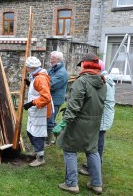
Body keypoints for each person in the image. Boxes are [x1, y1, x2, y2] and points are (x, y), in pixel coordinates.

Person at [53, 53, 106, 194]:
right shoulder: (103, 81)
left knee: (69, 149)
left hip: (78, 122)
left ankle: (71, 183)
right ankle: (96, 184)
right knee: (92, 150)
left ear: (85, 64)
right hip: (94, 123)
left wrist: (63, 123)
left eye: (81, 64)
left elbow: (74, 105)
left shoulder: (81, 81)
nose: (80, 67)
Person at [79, 59, 115, 175]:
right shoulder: (103, 79)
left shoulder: (103, 82)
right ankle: (93, 165)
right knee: (95, 142)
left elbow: (102, 102)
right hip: (101, 117)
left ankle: (94, 169)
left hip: (101, 118)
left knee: (96, 144)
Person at [23, 56, 52, 167]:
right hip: (35, 111)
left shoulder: (40, 78)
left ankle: (40, 158)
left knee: (37, 134)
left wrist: (31, 103)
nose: (26, 69)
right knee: (30, 131)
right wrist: (30, 84)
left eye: (28, 67)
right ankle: (36, 151)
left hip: (40, 110)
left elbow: (46, 97)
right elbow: (37, 89)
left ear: (31, 68)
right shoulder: (36, 76)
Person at [46, 51, 68, 146]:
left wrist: (41, 83)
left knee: (50, 121)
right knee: (49, 119)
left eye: (52, 59)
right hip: (50, 98)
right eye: (50, 58)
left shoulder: (62, 73)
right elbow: (45, 77)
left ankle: (47, 141)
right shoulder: (53, 69)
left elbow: (51, 84)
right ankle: (60, 134)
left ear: (58, 60)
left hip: (55, 100)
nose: (50, 61)